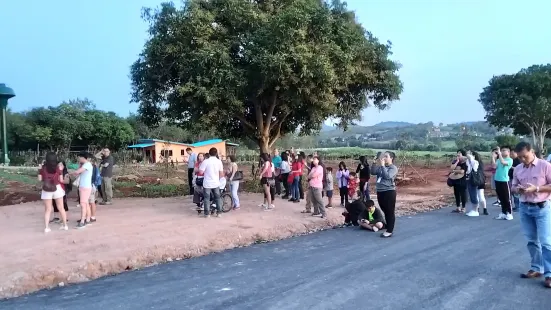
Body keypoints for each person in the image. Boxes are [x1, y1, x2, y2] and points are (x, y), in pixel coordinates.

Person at [511, 141, 551, 288]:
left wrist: (537, 188)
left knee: (546, 242)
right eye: (519, 157)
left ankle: (549, 274)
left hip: (542, 208)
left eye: (524, 156)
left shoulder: (545, 166)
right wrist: (518, 189)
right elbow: (513, 186)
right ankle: (536, 268)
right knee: (531, 240)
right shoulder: (518, 169)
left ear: (532, 151)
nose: (522, 160)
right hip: (525, 208)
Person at [39, 152, 68, 233]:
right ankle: (65, 225)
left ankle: (47, 227)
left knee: (48, 210)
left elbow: (39, 179)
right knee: (61, 208)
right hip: (57, 188)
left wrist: (39, 170)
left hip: (46, 189)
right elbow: (61, 180)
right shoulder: (58, 168)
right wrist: (62, 172)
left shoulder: (43, 168)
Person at [371, 151, 398, 238]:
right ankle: (388, 226)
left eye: (386, 156)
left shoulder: (393, 168)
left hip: (389, 192)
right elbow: (373, 172)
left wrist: (382, 166)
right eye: (384, 156)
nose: (384, 158)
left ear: (391, 158)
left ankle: (389, 230)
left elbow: (387, 176)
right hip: (380, 192)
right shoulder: (381, 167)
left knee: (389, 211)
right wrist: (374, 162)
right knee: (385, 210)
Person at [198, 148, 224, 217]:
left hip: (207, 183)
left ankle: (207, 214)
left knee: (206, 198)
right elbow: (221, 174)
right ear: (216, 153)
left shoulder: (206, 161)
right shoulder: (219, 162)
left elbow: (201, 172)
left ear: (209, 153)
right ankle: (219, 213)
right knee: (218, 198)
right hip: (216, 183)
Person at [71, 152, 94, 228]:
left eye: (80, 157)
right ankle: (87, 219)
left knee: (83, 204)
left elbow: (77, 172)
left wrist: (70, 173)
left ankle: (82, 221)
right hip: (83, 186)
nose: (79, 159)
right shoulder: (85, 165)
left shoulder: (87, 165)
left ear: (84, 158)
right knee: (86, 203)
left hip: (85, 187)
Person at [492, 146, 514, 220]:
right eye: (501, 150)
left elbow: (503, 163)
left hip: (504, 181)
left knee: (507, 198)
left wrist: (499, 154)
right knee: (501, 198)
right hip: (497, 180)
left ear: (508, 152)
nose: (502, 151)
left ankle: (509, 213)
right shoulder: (498, 160)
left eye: (504, 150)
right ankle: (503, 212)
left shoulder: (510, 160)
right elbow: (494, 166)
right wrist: (493, 157)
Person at [465, 151, 487, 217]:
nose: (467, 155)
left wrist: (470, 156)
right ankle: (474, 209)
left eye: (469, 154)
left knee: (474, 195)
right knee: (472, 195)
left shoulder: (475, 162)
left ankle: (475, 210)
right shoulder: (468, 162)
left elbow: (472, 161)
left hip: (473, 180)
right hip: (469, 179)